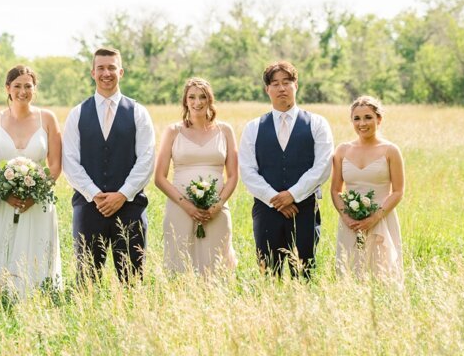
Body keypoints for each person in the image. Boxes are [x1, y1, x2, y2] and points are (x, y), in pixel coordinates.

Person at [62, 47, 156, 283]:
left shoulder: (138, 113)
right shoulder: (77, 114)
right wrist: (95, 195)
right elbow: (70, 162)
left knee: (132, 280)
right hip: (88, 208)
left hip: (130, 208)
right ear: (92, 73)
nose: (107, 73)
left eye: (112, 67)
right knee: (86, 281)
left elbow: (146, 159)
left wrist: (122, 195)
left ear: (121, 72)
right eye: (101, 68)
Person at [0, 65, 63, 296]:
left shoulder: (48, 119)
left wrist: (35, 195)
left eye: (28, 86)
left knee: (35, 247)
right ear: (8, 89)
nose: (23, 91)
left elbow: (55, 166)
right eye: (17, 86)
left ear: (35, 89)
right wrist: (3, 192)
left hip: (38, 202)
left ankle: (37, 295)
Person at [239, 61, 333, 277]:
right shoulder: (253, 127)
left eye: (287, 82)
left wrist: (292, 195)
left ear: (296, 85)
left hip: (304, 209)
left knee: (304, 273)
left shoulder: (317, 123)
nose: (281, 88)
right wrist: (275, 199)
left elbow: (322, 166)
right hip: (266, 210)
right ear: (267, 89)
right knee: (268, 274)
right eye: (275, 83)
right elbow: (247, 170)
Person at [153, 77, 238, 275]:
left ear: (210, 100)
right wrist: (187, 205)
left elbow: (233, 176)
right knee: (180, 264)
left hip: (215, 211)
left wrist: (217, 205)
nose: (197, 102)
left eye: (202, 97)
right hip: (180, 209)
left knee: (217, 265)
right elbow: (159, 178)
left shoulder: (225, 130)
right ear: (185, 101)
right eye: (192, 97)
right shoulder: (173, 131)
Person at [330, 96, 404, 283]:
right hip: (350, 223)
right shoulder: (342, 150)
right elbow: (336, 190)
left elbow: (398, 191)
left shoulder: (390, 150)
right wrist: (347, 217)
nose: (362, 123)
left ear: (379, 119)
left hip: (381, 219)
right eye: (357, 118)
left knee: (383, 276)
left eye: (368, 117)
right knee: (349, 274)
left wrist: (374, 218)